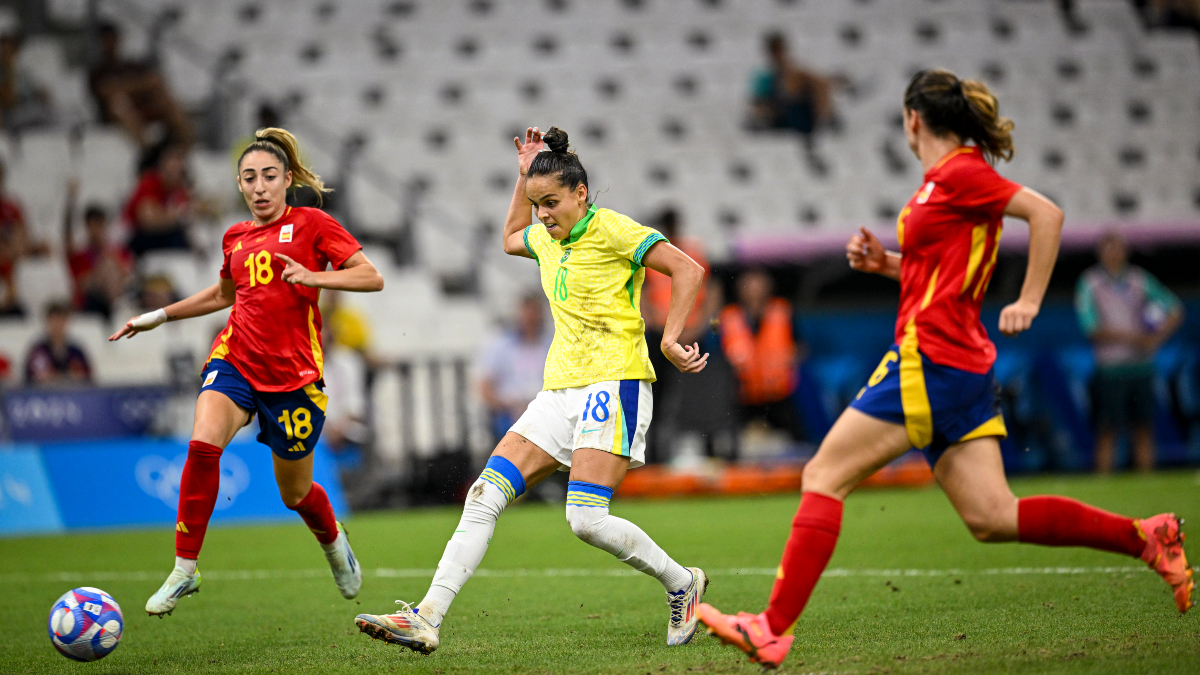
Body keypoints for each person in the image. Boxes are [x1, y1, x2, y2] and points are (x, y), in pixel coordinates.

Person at [698, 69, 1193, 670]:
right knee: (992, 516)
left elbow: (1047, 215)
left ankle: (771, 628)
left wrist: (1031, 299)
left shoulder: (960, 172)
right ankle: (1146, 537)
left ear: (913, 119)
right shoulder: (946, 182)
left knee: (824, 475)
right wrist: (886, 264)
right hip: (959, 364)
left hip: (928, 359)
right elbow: (941, 270)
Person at [355, 126, 709, 653]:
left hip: (616, 382)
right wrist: (522, 176)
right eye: (536, 203)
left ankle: (682, 582)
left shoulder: (613, 231)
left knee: (585, 520)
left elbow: (688, 269)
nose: (542, 214)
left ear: (580, 194)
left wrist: (673, 337)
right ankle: (426, 616)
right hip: (559, 389)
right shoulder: (544, 238)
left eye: (551, 202)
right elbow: (507, 239)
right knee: (483, 495)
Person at [109, 127, 385, 617]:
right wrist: (159, 316)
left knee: (295, 493)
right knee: (202, 443)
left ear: (287, 180)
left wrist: (314, 275)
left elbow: (371, 276)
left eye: (269, 177)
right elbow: (223, 296)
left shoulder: (313, 224)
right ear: (240, 184)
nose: (259, 187)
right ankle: (184, 569)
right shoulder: (234, 236)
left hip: (294, 379)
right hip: (235, 359)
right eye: (250, 178)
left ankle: (333, 540)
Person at [1076, 231, 1183, 473]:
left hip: (1142, 366)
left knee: (1144, 427)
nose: (1113, 254)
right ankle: (1103, 485)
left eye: (1117, 248)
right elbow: (1091, 328)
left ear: (1125, 251)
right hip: (1110, 368)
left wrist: (1155, 339)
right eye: (1108, 249)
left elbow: (1174, 308)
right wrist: (1133, 337)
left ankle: (1147, 485)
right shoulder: (1090, 283)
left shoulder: (1139, 279)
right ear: (1099, 253)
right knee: (1108, 429)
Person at [642, 208, 708, 461]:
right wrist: (661, 329)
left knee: (692, 397)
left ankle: (695, 449)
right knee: (660, 398)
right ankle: (659, 453)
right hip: (662, 335)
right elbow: (644, 294)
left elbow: (709, 290)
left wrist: (696, 326)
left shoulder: (690, 251)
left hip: (689, 334)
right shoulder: (651, 254)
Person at [719, 268, 804, 443]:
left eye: (759, 287)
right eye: (749, 287)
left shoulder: (783, 311)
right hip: (741, 394)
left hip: (779, 394)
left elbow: (801, 346)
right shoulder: (727, 317)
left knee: (793, 435)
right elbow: (715, 349)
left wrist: (787, 360)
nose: (754, 293)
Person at [89, 22, 191, 147]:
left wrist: (126, 85)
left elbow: (153, 80)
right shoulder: (98, 71)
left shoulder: (129, 65)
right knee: (119, 103)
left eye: (113, 39)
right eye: (106, 40)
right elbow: (105, 91)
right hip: (117, 116)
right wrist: (134, 85)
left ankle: (184, 143)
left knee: (164, 95)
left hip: (141, 107)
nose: (111, 43)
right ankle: (147, 150)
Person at [749, 32, 834, 169]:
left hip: (799, 113)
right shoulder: (765, 74)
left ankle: (826, 120)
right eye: (776, 50)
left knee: (817, 82)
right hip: (780, 115)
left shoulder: (792, 70)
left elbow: (819, 84)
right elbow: (758, 104)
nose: (779, 54)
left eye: (781, 49)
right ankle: (826, 120)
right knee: (806, 79)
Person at [478, 292, 553, 443]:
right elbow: (484, 387)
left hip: (547, 411)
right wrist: (509, 405)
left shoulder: (551, 342)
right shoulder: (500, 345)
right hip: (509, 412)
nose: (531, 318)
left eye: (535, 312)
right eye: (527, 312)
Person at [63, 181, 133, 322]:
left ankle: (116, 307)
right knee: (107, 266)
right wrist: (71, 202)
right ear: (86, 227)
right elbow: (83, 283)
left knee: (111, 265)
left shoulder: (116, 251)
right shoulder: (80, 254)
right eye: (92, 226)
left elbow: (126, 274)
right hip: (89, 303)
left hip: (112, 295)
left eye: (99, 225)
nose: (96, 230)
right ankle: (116, 308)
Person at [123, 143, 193, 257]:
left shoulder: (180, 189)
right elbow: (148, 221)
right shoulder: (150, 183)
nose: (175, 173)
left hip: (162, 237)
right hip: (135, 236)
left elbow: (192, 213)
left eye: (179, 170)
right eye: (172, 169)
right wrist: (177, 215)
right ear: (162, 167)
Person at [25, 301, 92, 386]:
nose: (57, 325)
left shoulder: (76, 352)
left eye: (61, 320)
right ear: (47, 322)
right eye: (54, 320)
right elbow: (31, 379)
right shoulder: (38, 352)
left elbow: (87, 378)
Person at [0, 32, 55, 133]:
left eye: (10, 46)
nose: (7, 50)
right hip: (8, 116)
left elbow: (31, 91)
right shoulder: (3, 70)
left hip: (25, 109)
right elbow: (7, 98)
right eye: (4, 47)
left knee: (48, 112)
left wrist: (39, 94)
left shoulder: (21, 69)